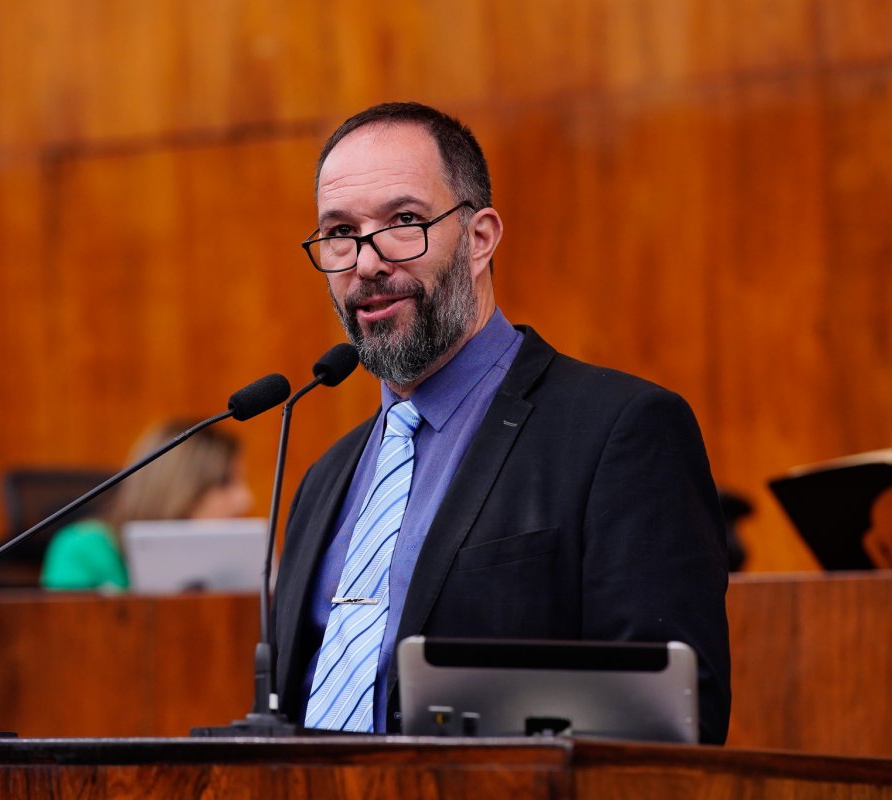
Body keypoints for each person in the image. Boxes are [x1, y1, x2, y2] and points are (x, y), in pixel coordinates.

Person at [272, 102, 731, 743]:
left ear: (480, 239)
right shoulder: (322, 481)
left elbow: (672, 726)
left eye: (404, 221)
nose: (366, 262)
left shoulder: (620, 432)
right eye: (340, 232)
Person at [40, 420, 253, 591]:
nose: (245, 499)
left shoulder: (233, 562)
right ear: (176, 486)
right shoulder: (84, 550)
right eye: (226, 482)